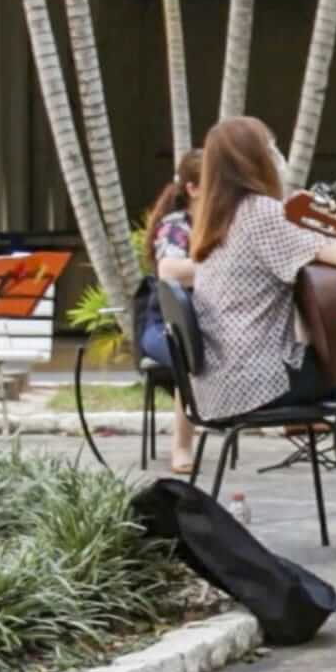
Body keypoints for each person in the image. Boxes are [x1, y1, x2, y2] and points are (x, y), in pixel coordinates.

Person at [187, 116, 336, 552]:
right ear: (254, 160)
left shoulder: (218, 218)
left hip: (215, 382)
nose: (277, 156)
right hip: (254, 379)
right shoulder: (262, 212)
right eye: (271, 147)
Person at [140, 149, 203, 474]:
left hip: (208, 323)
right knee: (187, 352)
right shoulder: (175, 226)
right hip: (163, 326)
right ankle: (181, 447)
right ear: (192, 189)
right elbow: (169, 270)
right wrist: (220, 268)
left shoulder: (226, 224)